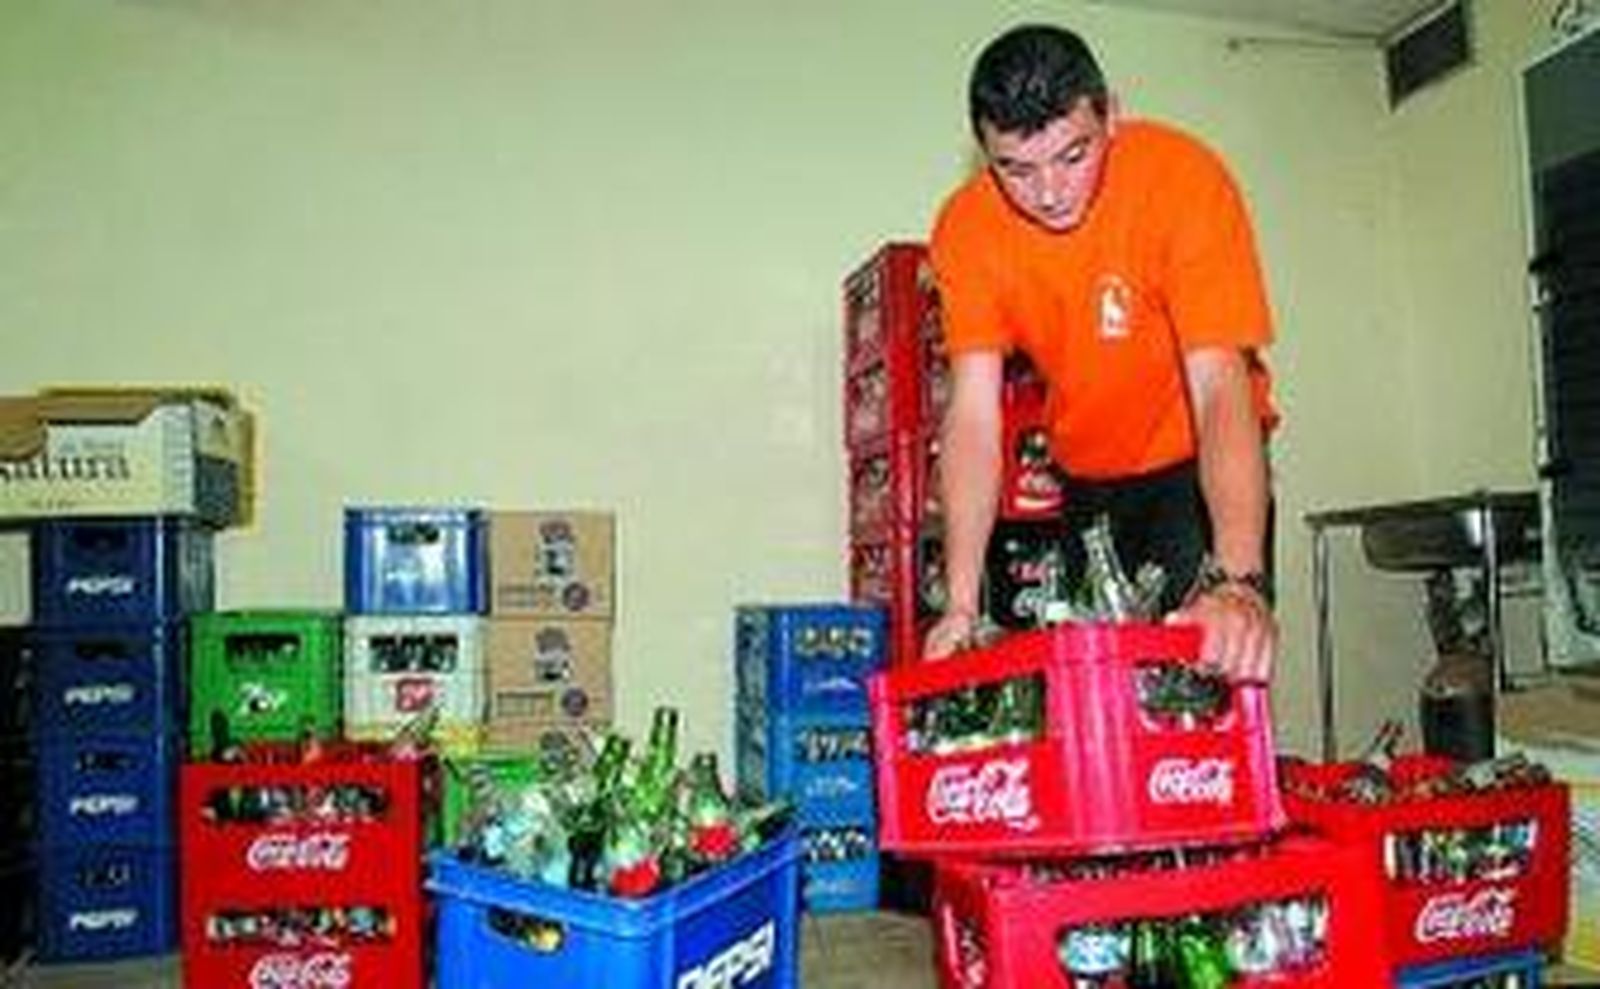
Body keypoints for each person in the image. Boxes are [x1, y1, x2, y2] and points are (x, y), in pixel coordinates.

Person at [922, 24, 1278, 682]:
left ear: (1111, 114)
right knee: (1093, 696)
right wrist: (961, 607)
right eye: (1016, 169)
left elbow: (1219, 386)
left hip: (1195, 467)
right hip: (1085, 479)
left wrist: (1238, 582)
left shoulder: (1183, 178)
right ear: (984, 153)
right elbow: (972, 417)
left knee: (1201, 688)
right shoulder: (966, 228)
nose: (1049, 191)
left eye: (1073, 155)